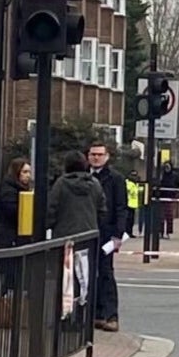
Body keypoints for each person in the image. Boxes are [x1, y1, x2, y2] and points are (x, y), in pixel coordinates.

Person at [80, 138, 129, 331]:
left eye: (100, 154)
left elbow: (121, 207)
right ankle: (95, 315)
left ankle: (111, 315)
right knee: (86, 274)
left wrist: (118, 234)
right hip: (86, 231)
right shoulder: (83, 176)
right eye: (93, 154)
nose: (96, 158)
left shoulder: (115, 179)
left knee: (106, 274)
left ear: (107, 157)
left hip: (107, 233)